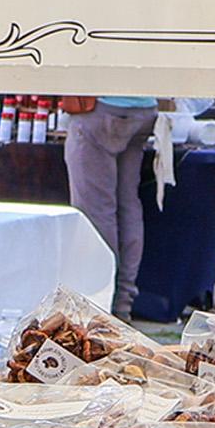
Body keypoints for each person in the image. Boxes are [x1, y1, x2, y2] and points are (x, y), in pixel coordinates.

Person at [64, 95, 170, 319]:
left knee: (96, 212)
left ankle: (99, 303)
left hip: (100, 106)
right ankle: (122, 303)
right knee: (128, 205)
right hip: (143, 106)